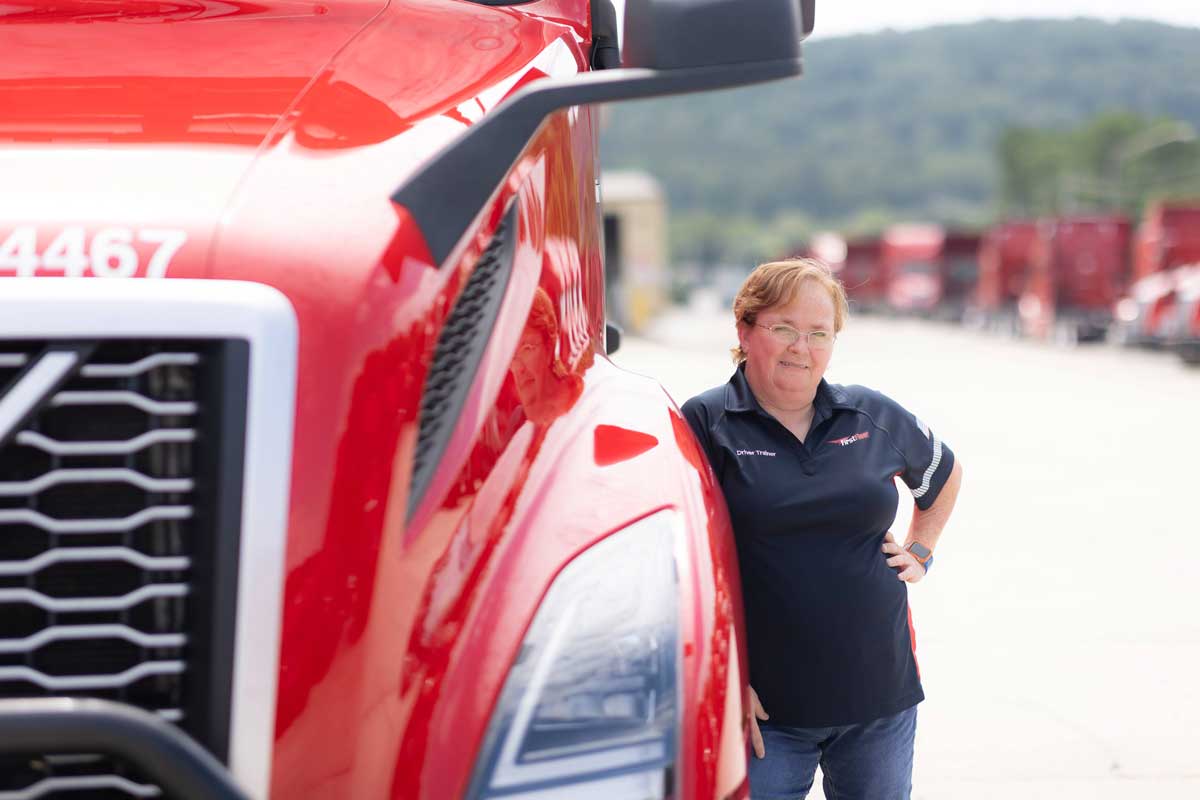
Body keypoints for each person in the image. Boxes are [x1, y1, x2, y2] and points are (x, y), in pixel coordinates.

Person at [681, 258, 963, 800]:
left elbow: (943, 473)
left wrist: (921, 550)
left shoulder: (869, 415)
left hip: (878, 699)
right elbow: (681, 563)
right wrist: (720, 679)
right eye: (783, 328)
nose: (801, 348)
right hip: (766, 713)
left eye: (819, 334)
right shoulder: (705, 422)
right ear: (745, 329)